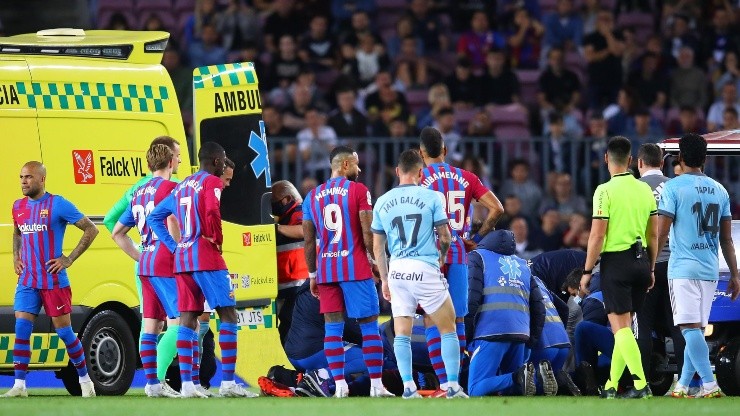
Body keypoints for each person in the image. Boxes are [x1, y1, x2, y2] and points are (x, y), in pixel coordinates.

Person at [147, 142, 256, 398]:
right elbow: (211, 210)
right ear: (217, 161)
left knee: (187, 318)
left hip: (182, 260)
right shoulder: (211, 183)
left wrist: (175, 246)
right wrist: (215, 238)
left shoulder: (182, 185)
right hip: (205, 256)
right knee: (228, 314)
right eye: (224, 158)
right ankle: (228, 383)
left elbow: (155, 217)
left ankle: (187, 385)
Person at [372, 149, 468, 399]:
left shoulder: (382, 201)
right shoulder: (432, 196)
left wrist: (384, 278)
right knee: (449, 327)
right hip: (424, 267)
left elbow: (377, 247)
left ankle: (408, 387)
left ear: (397, 171)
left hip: (398, 270)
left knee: (401, 331)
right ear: (421, 173)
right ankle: (453, 387)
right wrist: (443, 256)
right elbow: (445, 236)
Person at [418, 126, 504, 396]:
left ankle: (444, 384)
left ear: (421, 153)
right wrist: (477, 238)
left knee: (433, 320)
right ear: (444, 150)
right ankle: (458, 383)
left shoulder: (418, 178)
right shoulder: (466, 177)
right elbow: (497, 209)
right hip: (458, 252)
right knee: (456, 321)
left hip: (429, 256)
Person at [302, 145, 393, 398]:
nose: (359, 168)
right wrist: (375, 262)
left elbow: (309, 241)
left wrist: (312, 274)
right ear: (344, 166)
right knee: (369, 326)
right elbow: (367, 232)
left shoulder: (312, 196)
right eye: (355, 163)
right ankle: (376, 386)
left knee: (333, 329)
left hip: (327, 271)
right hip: (355, 268)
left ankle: (340, 386)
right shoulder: (359, 191)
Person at [3, 161, 99, 398]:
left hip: (54, 282)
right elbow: (17, 232)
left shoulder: (58, 204)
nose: (24, 181)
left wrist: (69, 259)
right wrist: (17, 257)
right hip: (28, 281)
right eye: (21, 177)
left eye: (28, 177)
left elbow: (90, 229)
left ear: (42, 179)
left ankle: (85, 380)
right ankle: (19, 386)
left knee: (65, 333)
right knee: (22, 328)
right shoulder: (18, 207)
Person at [656, 133, 740, 398]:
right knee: (697, 330)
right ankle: (682, 385)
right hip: (710, 269)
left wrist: (649, 265)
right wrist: (735, 275)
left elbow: (661, 232)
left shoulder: (674, 188)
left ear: (680, 157)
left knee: (689, 329)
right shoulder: (720, 189)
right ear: (705, 158)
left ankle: (709, 383)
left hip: (683, 268)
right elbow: (726, 239)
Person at [580, 136, 658, 399]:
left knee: (621, 329)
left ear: (606, 159)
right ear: (631, 161)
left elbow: (597, 236)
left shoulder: (604, 191)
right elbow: (654, 236)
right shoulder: (644, 190)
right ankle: (612, 385)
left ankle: (640, 384)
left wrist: (587, 270)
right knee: (624, 327)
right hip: (642, 261)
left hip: (616, 263)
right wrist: (651, 268)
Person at [102, 136, 183, 383]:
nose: (179, 159)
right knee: (180, 321)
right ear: (170, 161)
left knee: (150, 326)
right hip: (164, 260)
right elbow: (171, 221)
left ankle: (151, 384)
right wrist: (178, 250)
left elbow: (115, 230)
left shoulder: (138, 191)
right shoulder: (172, 188)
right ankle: (162, 378)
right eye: (177, 156)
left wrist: (140, 254)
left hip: (145, 261)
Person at [465, 230, 546, 396]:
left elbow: (471, 300)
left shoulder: (477, 257)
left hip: (489, 332)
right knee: (511, 392)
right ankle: (539, 380)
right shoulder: (523, 264)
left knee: (475, 388)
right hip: (520, 334)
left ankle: (520, 376)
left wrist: (466, 337)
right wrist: (530, 342)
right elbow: (539, 307)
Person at [635, 143, 686, 392]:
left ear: (639, 163)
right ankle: (687, 384)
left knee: (642, 326)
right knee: (678, 324)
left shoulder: (635, 188)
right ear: (663, 162)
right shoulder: (676, 186)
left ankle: (642, 384)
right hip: (675, 264)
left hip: (646, 264)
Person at [272, 180, 308, 344]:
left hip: (301, 287)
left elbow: (304, 230)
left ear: (286, 200)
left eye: (274, 203)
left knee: (294, 331)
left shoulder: (300, 212)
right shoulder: (285, 218)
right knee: (287, 329)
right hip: (289, 288)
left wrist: (276, 228)